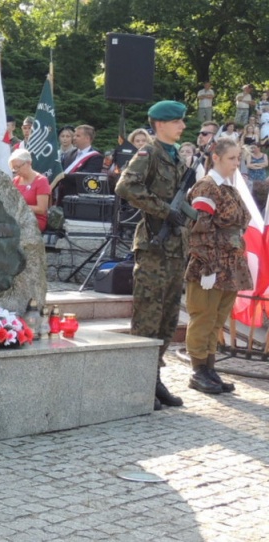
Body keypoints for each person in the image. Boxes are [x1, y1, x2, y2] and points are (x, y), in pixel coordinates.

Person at [115, 100, 189, 411]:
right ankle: (136, 384)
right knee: (147, 317)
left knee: (168, 318)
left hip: (175, 249)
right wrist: (163, 211)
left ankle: (154, 378)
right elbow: (126, 186)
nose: (183, 127)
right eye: (177, 122)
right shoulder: (149, 154)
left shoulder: (178, 158)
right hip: (153, 247)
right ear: (160, 124)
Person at [184, 138, 250, 395]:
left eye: (237, 158)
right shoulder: (207, 187)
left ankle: (209, 368)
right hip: (210, 264)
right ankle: (198, 370)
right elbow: (199, 231)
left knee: (217, 319)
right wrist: (208, 266)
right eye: (232, 158)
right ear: (216, 158)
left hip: (230, 264)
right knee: (203, 316)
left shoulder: (229, 187)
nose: (236, 164)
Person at [8, 148, 50, 231]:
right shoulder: (15, 181)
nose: (16, 171)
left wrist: (21, 207)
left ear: (28, 163)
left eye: (18, 167)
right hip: (17, 217)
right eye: (14, 168)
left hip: (35, 219)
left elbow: (41, 209)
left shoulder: (41, 181)